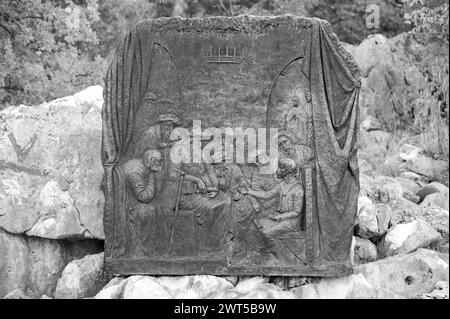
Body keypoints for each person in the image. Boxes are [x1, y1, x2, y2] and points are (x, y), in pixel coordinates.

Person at [239, 158, 304, 257]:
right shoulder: (281, 185)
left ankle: (280, 256)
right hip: (279, 218)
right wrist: (249, 192)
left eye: (281, 168)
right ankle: (263, 252)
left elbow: (296, 212)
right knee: (255, 225)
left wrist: (279, 217)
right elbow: (267, 195)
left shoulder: (297, 188)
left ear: (288, 172)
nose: (278, 170)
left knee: (266, 232)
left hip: (291, 221)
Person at [121, 149, 166, 257]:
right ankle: (144, 250)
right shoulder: (136, 171)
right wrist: (152, 175)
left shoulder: (144, 166)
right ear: (150, 161)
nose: (160, 164)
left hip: (134, 198)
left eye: (161, 160)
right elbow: (144, 197)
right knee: (151, 211)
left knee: (159, 209)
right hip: (127, 203)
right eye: (158, 161)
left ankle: (156, 249)